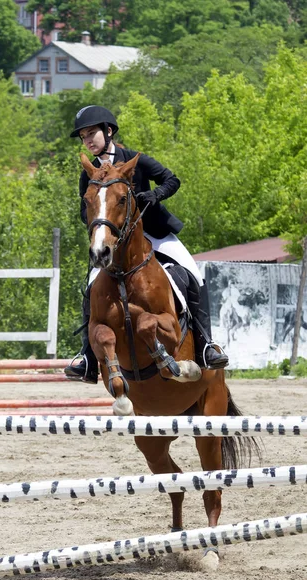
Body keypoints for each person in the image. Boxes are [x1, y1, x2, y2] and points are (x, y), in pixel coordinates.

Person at [64, 105, 228, 383]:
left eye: (92, 133)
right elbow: (85, 210)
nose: (88, 140)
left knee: (192, 274)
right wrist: (101, 225)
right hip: (117, 240)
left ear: (109, 131)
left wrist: (155, 195)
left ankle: (206, 345)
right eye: (83, 137)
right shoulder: (89, 173)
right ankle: (88, 358)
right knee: (91, 284)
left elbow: (171, 179)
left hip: (155, 234)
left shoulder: (133, 159)